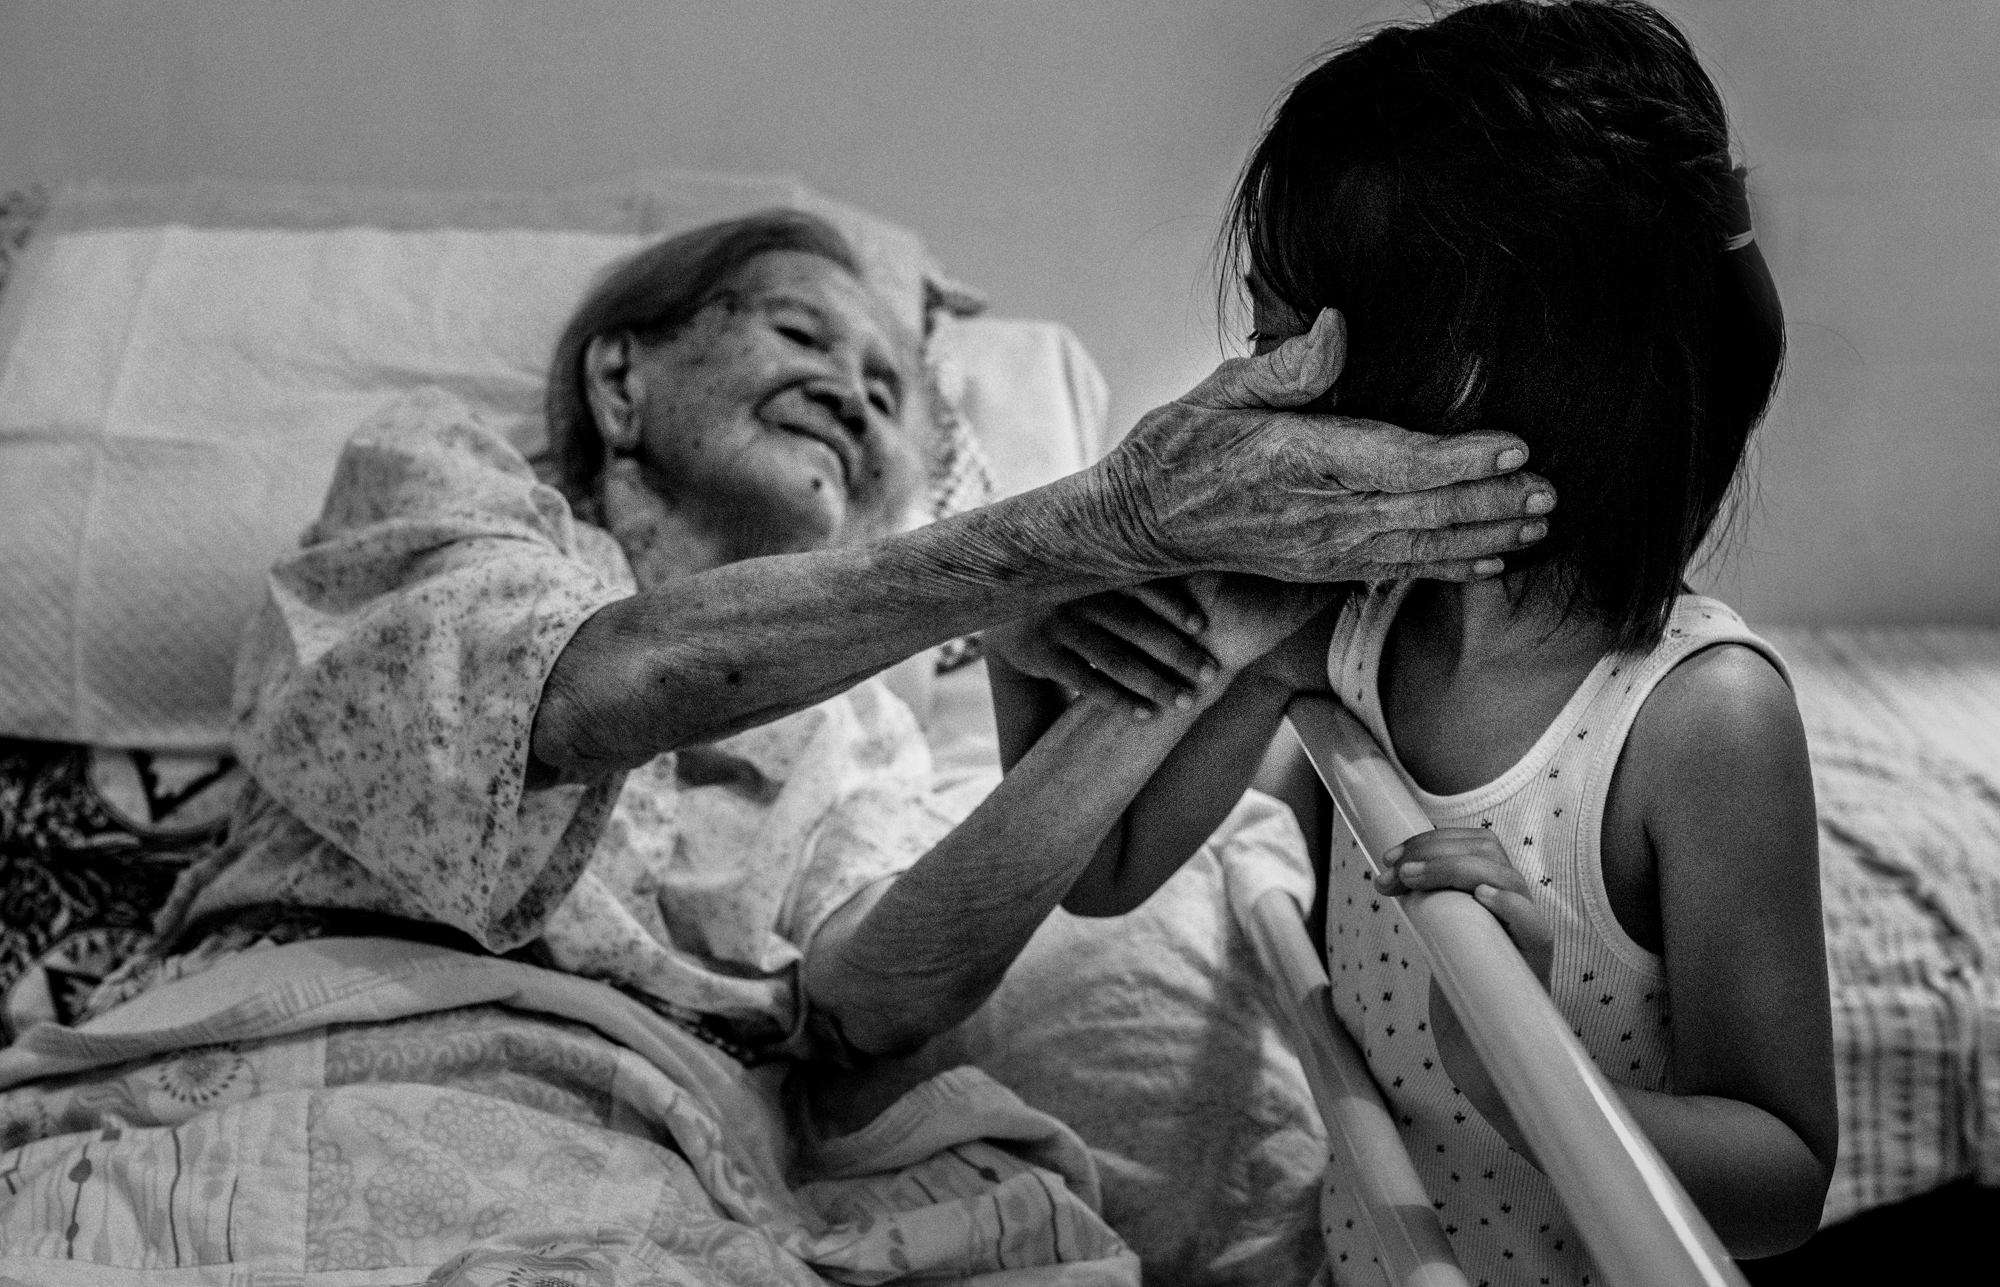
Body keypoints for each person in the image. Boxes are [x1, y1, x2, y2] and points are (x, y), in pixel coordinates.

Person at [108, 208, 1555, 1072]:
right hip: (276, 1065)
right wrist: (1082, 530)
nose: (856, 399)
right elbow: (581, 691)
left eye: (884, 391)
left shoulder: (855, 729)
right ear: (622, 377)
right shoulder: (445, 481)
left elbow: (874, 1000)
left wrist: (1227, 633)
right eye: (801, 336)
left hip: (646, 1160)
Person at [997, 0, 1836, 1281]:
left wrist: (1522, 1077)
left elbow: (1783, 1177)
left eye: (1284, 347)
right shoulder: (1342, 619)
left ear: (1453, 383)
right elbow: (1098, 862)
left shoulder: (1699, 724)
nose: (1250, 389)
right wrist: (1025, 623)